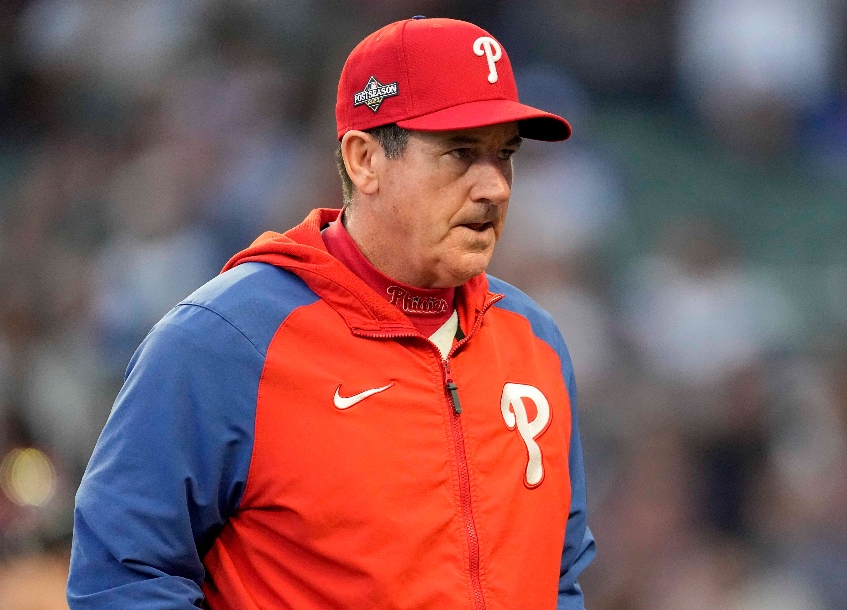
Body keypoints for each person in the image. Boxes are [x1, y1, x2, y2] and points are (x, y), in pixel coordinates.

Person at [67, 16, 596, 609]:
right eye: (460, 153)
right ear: (365, 159)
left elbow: (557, 579)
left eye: (505, 155)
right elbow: (121, 576)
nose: (493, 186)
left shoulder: (537, 343)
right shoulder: (228, 341)